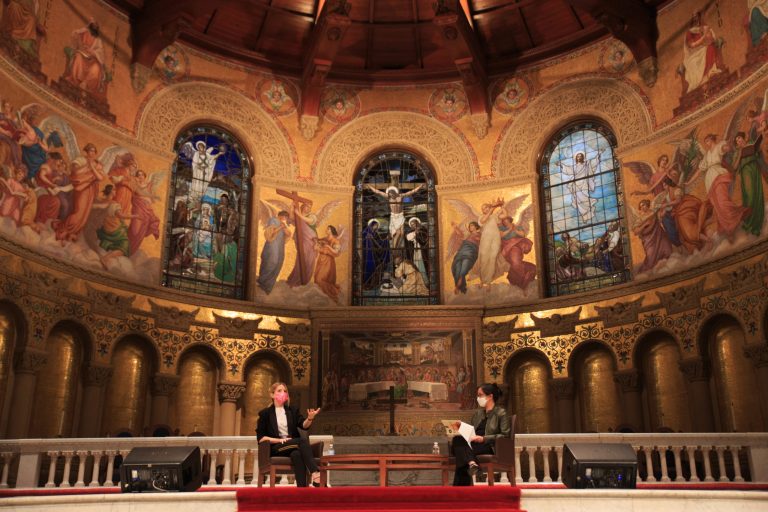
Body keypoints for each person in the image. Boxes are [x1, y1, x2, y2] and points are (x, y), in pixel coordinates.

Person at [256, 382, 322, 487]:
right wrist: (278, 440)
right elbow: (261, 438)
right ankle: (315, 473)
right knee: (302, 441)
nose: (283, 393)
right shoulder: (265, 414)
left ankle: (302, 490)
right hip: (276, 447)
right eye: (279, 391)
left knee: (297, 454)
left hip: (292, 446)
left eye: (285, 391)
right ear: (272, 394)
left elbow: (304, 425)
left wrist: (310, 418)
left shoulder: (292, 410)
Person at [450, 383, 510, 486]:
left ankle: (461, 487)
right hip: (473, 444)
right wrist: (461, 427)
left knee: (462, 452)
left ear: (490, 396)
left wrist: (483, 438)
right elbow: (471, 431)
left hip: (488, 445)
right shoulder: (478, 414)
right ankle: (472, 464)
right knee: (457, 439)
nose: (478, 398)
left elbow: (505, 435)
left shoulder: (501, 413)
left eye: (480, 395)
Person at [679, 12, 723, 95]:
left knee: (710, 48)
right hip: (693, 55)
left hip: (704, 48)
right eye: (694, 19)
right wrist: (703, 37)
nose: (696, 21)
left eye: (697, 18)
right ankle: (700, 80)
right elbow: (692, 45)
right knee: (692, 62)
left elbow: (710, 40)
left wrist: (706, 33)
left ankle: (710, 72)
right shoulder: (690, 33)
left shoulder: (704, 28)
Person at [558, 151, 602, 223]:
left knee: (585, 198)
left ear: (583, 157)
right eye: (577, 156)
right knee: (578, 201)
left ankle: (588, 213)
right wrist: (561, 165)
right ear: (576, 158)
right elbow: (568, 170)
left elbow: (593, 162)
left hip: (584, 183)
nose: (579, 157)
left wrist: (598, 155)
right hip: (576, 185)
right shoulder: (574, 167)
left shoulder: (586, 164)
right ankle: (584, 216)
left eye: (580, 156)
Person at [257, 210, 291, 293]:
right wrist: (281, 227)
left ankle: (267, 286)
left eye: (286, 218)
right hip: (272, 245)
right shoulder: (273, 220)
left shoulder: (284, 224)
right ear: (280, 216)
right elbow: (270, 233)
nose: (285, 219)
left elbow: (288, 234)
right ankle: (262, 280)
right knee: (272, 262)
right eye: (284, 217)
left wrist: (285, 227)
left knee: (278, 263)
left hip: (280, 246)